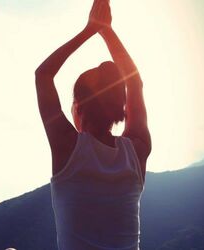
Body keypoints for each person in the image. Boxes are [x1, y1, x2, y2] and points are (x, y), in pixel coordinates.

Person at [35, 0, 152, 249]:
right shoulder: (137, 151)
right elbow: (135, 83)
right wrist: (106, 30)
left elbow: (43, 75)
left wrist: (91, 29)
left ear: (79, 108)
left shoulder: (67, 148)